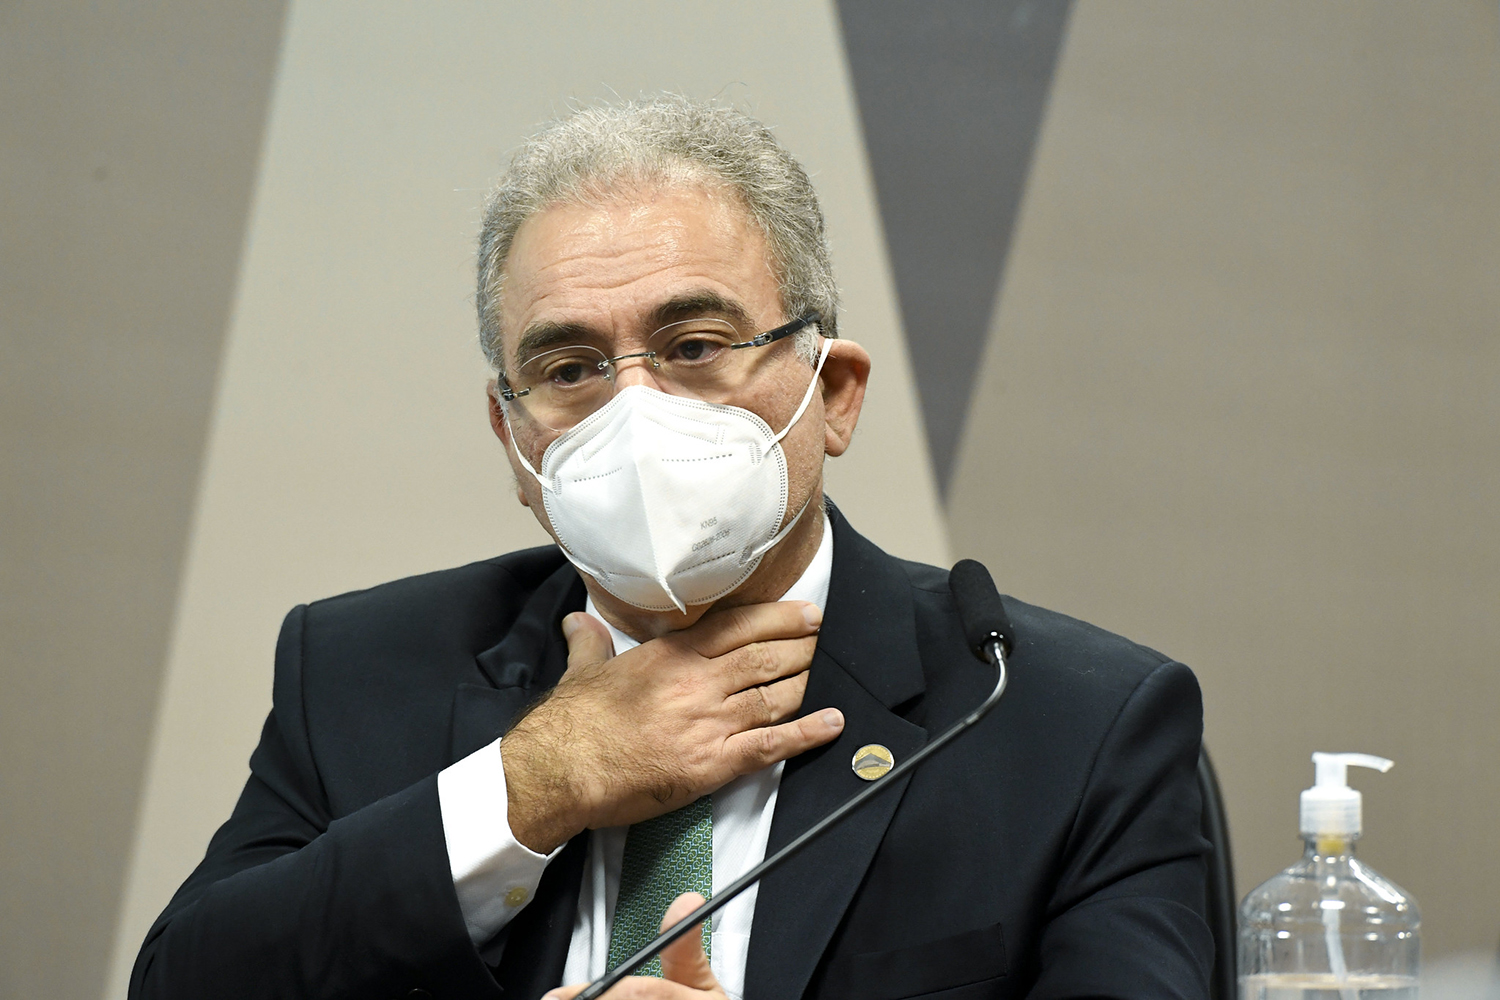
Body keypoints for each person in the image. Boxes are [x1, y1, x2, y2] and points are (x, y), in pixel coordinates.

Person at [131, 96, 1212, 1000]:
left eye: (695, 347)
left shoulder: (1064, 721)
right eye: (569, 368)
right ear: (515, 443)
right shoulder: (363, 669)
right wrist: (526, 787)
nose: (634, 412)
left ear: (832, 395)